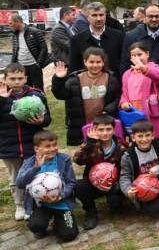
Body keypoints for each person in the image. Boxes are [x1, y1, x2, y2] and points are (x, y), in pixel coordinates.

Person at [0, 63, 52, 221]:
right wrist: (2, 100)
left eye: (19, 78)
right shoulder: (1, 96)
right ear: (5, 79)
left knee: (34, 172)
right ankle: (19, 204)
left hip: (31, 143)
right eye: (12, 79)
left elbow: (47, 119)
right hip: (9, 145)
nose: (16, 82)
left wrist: (41, 121)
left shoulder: (36, 95)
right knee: (16, 177)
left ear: (26, 78)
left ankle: (37, 199)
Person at [16, 130, 78, 242]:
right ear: (36, 149)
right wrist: (35, 168)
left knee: (69, 235)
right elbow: (20, 183)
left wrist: (61, 196)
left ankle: (59, 222)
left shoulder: (63, 159)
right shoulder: (29, 162)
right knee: (35, 225)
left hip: (61, 203)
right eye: (47, 146)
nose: (52, 148)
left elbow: (71, 182)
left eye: (54, 145)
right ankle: (41, 226)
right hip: (42, 205)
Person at [51, 48, 121, 146]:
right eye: (91, 62)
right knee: (87, 153)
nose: (95, 65)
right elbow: (61, 95)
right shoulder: (75, 80)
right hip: (82, 124)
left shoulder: (111, 78)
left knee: (105, 149)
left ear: (103, 62)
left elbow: (117, 98)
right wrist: (59, 79)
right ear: (85, 62)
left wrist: (108, 111)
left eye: (98, 62)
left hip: (104, 124)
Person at [73, 115, 128, 229]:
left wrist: (115, 185)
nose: (105, 133)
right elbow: (78, 161)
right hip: (94, 183)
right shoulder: (91, 144)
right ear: (95, 130)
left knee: (115, 204)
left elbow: (126, 169)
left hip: (113, 183)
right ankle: (91, 212)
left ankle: (115, 201)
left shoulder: (121, 146)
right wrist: (89, 143)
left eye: (108, 129)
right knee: (78, 186)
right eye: (101, 130)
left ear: (114, 130)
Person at [119, 119, 159, 221]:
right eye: (140, 136)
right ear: (133, 137)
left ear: (153, 135)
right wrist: (127, 189)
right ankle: (145, 202)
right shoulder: (128, 155)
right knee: (154, 209)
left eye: (147, 135)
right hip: (144, 187)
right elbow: (124, 176)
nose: (144, 139)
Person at [120, 42, 159, 140]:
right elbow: (124, 92)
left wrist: (144, 69)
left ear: (147, 54)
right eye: (134, 55)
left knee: (155, 140)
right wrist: (123, 102)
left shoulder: (153, 67)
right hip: (134, 111)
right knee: (139, 139)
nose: (137, 58)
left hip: (150, 111)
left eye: (139, 54)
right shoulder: (127, 74)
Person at [68, 2, 124, 76]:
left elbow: (123, 62)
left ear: (105, 16)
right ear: (87, 17)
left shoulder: (118, 36)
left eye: (101, 15)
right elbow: (74, 67)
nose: (98, 18)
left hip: (113, 84)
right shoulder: (77, 39)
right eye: (94, 15)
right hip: (87, 85)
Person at [120, 4, 159, 75]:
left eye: (157, 16)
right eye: (150, 16)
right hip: (140, 83)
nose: (154, 19)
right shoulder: (131, 37)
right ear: (144, 17)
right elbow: (125, 64)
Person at [9, 14, 49, 90]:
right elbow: (14, 51)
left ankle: (41, 101)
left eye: (11, 23)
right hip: (21, 67)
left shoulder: (34, 31)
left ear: (17, 21)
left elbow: (44, 48)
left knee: (38, 88)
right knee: (25, 89)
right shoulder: (14, 34)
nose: (9, 25)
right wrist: (12, 65)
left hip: (34, 65)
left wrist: (38, 63)